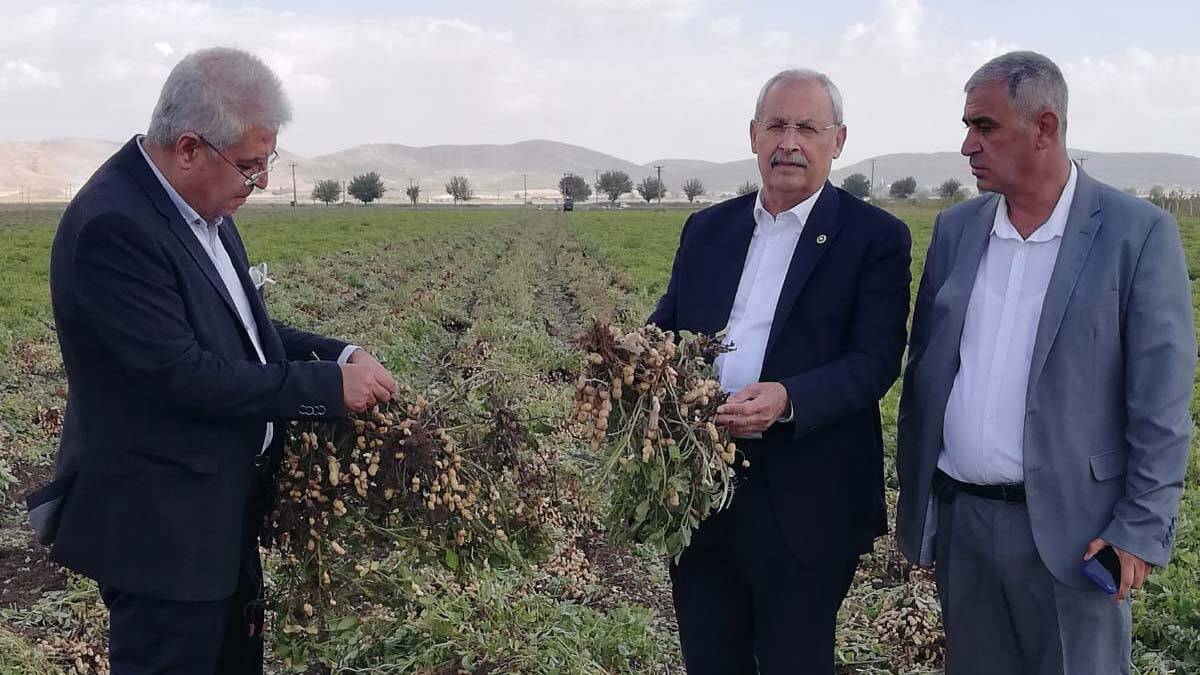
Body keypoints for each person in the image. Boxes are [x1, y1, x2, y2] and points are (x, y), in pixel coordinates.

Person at [41, 47, 396, 674]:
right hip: (161, 532)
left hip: (217, 512)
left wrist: (339, 353)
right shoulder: (113, 228)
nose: (258, 184)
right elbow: (182, 374)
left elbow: (243, 334)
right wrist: (323, 388)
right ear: (188, 148)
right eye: (251, 166)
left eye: (267, 163)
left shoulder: (203, 208)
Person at [896, 51, 1195, 674]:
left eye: (985, 126)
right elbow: (926, 371)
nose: (966, 145)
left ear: (1046, 127)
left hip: (1075, 537)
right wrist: (922, 509)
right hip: (965, 527)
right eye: (967, 125)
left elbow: (1161, 402)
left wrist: (1138, 530)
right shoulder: (956, 230)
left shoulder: (1134, 233)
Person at [648, 68, 912, 674]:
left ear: (838, 140)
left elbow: (874, 362)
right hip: (703, 486)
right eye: (776, 125)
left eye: (807, 127)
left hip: (807, 497)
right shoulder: (709, 228)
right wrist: (630, 356)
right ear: (753, 135)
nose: (789, 141)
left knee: (796, 658)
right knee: (711, 656)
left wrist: (789, 398)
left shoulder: (873, 238)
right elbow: (669, 321)